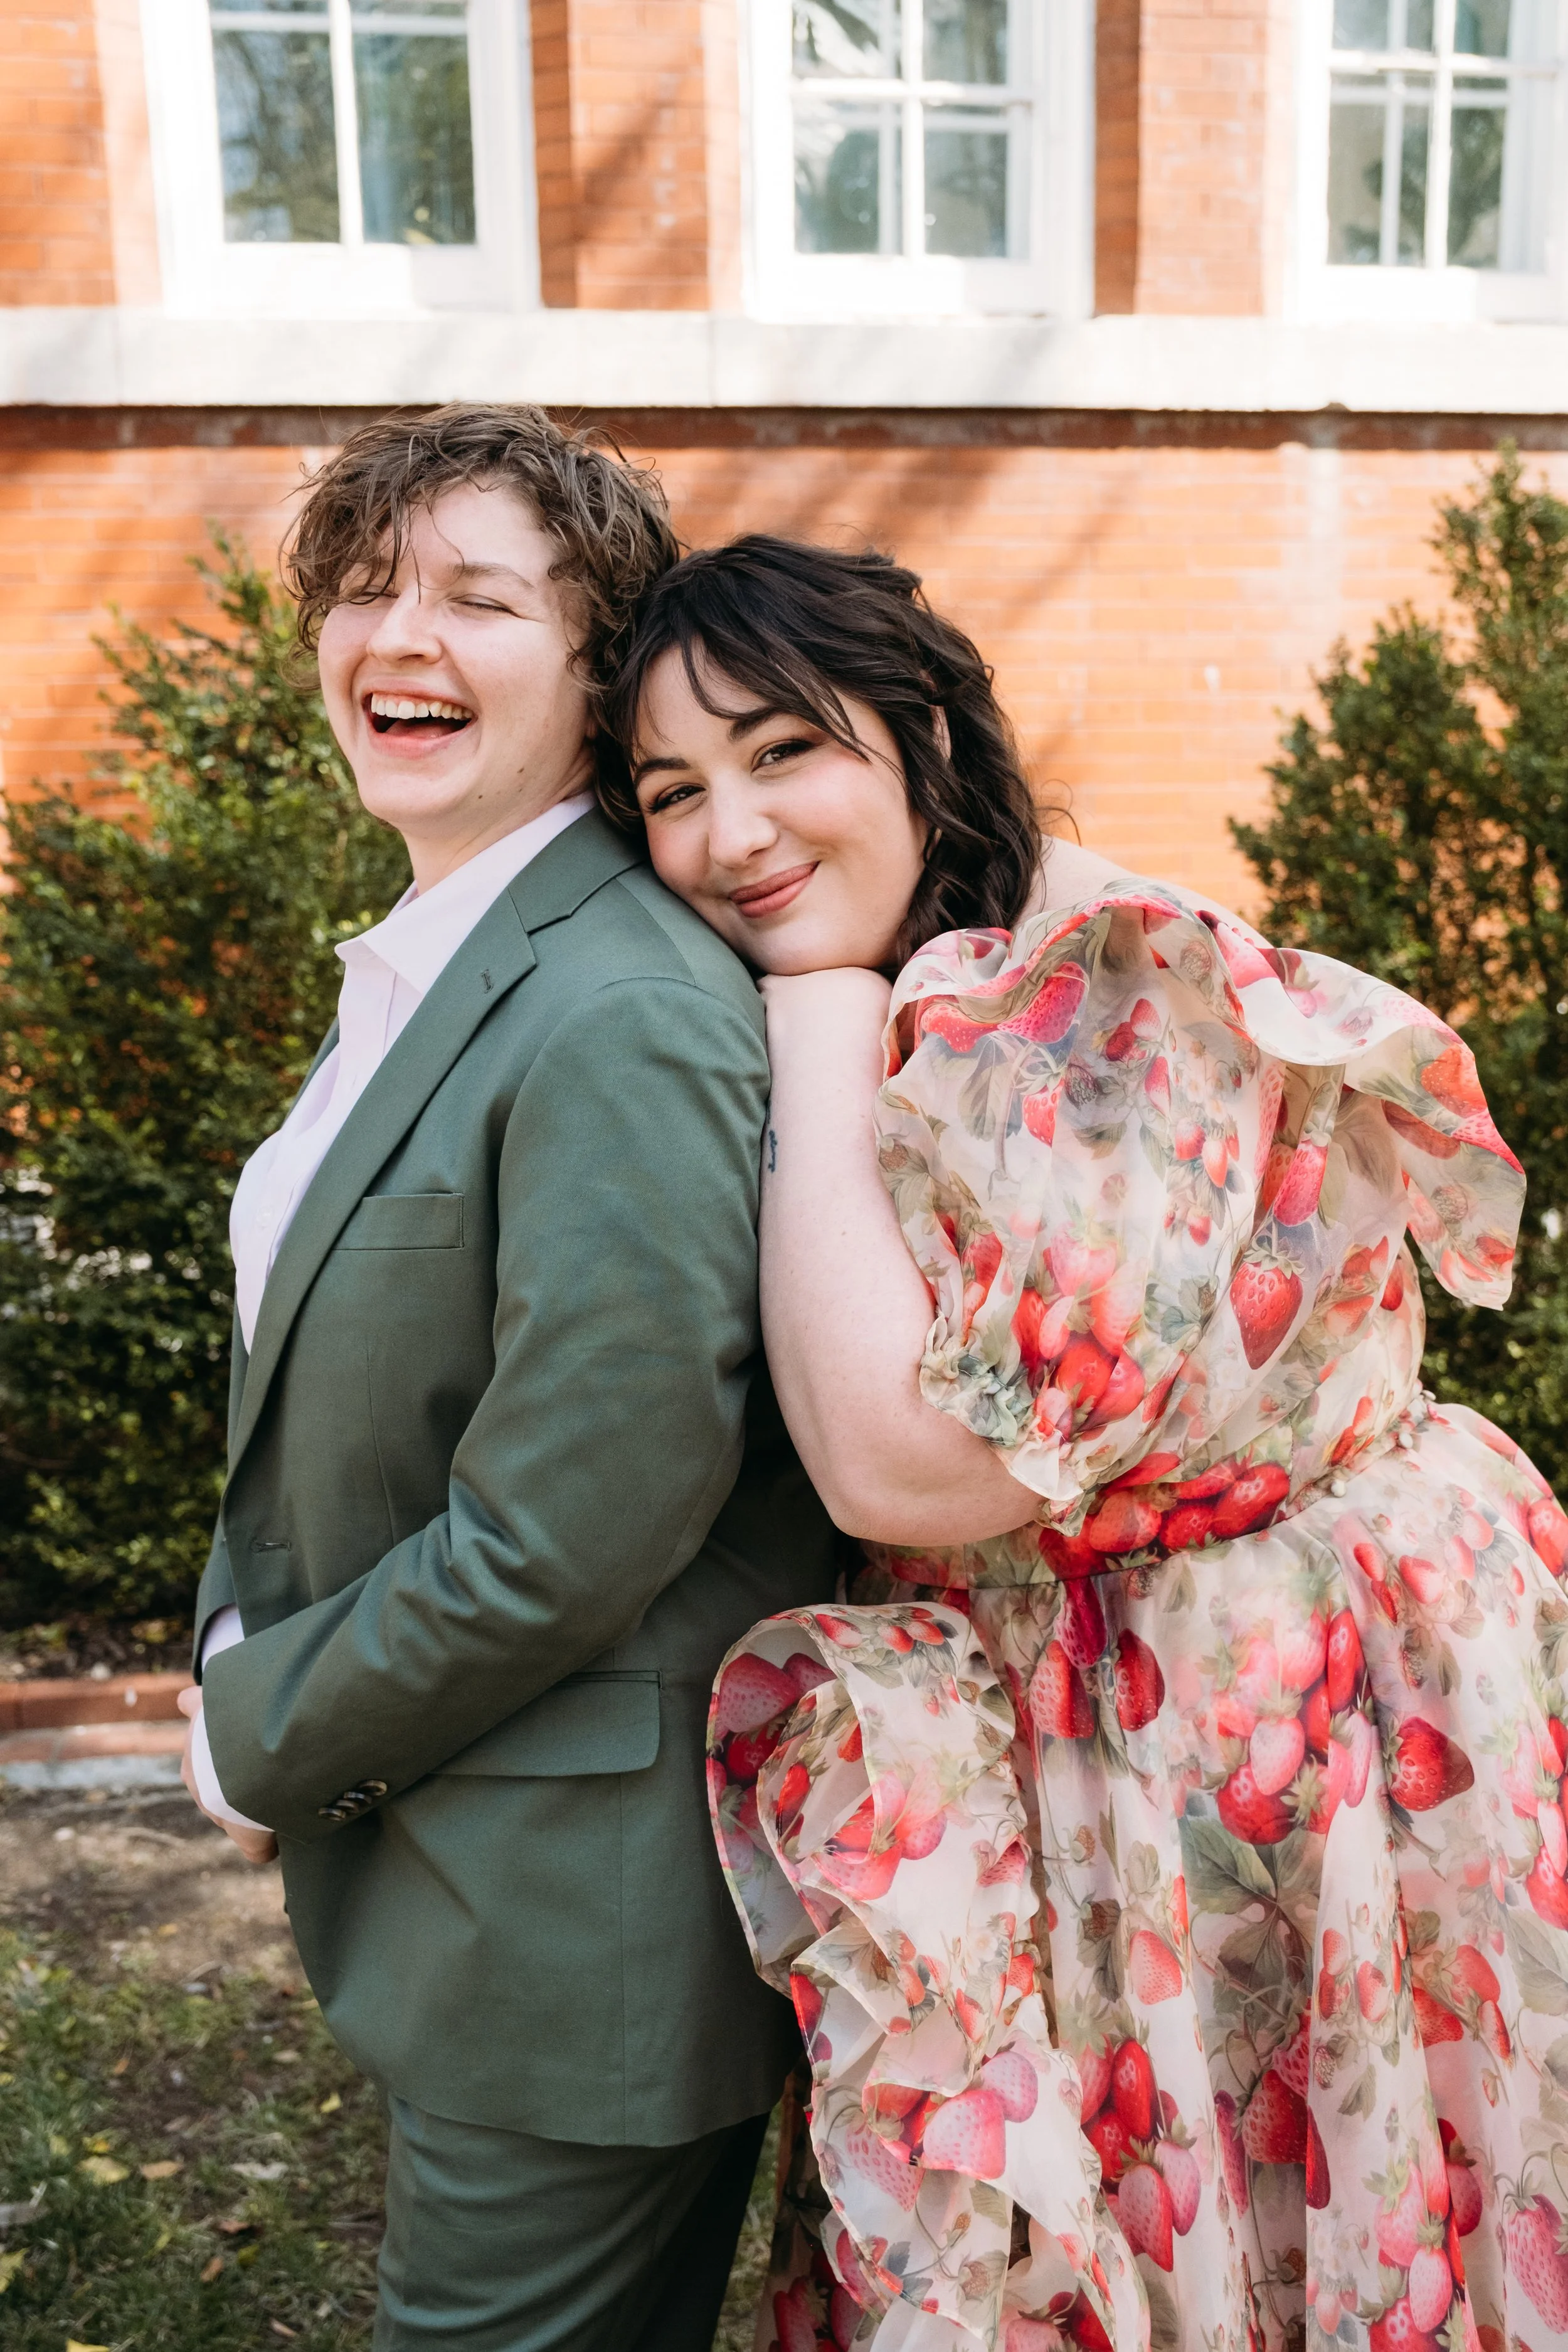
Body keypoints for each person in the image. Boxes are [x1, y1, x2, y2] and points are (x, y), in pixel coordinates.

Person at [600, 534, 1568, 2352]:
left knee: (1277, 2226)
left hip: (1263, 1715)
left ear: (920, 733)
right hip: (1113, 1698)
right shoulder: (934, 969)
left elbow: (902, 1468)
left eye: (783, 749)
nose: (732, 832)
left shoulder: (1103, 993)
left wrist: (814, 1024)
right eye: (671, 791)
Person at [176, 414, 835, 2352]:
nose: (401, 636)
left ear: (597, 665)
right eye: (365, 587)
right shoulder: (457, 953)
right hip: (475, 1874)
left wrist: (252, 1728)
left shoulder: (615, 1004)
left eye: (479, 598)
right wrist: (233, 1627)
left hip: (575, 1930)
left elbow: (568, 1528)